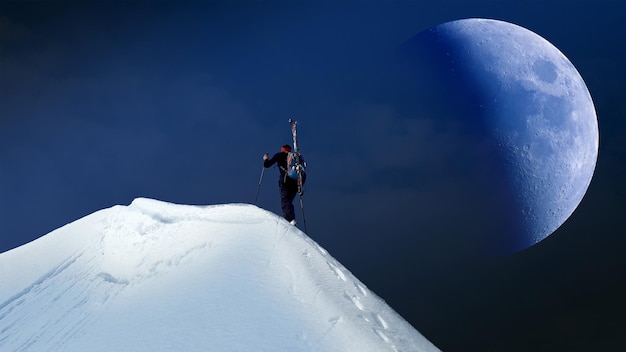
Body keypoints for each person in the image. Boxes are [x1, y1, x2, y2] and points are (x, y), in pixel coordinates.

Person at [263, 144, 305, 225]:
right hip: (295, 183)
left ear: (282, 149)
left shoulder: (279, 155)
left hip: (285, 181)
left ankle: (289, 220)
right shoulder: (294, 158)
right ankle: (290, 218)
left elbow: (267, 165)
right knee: (288, 201)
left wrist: (265, 159)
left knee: (285, 200)